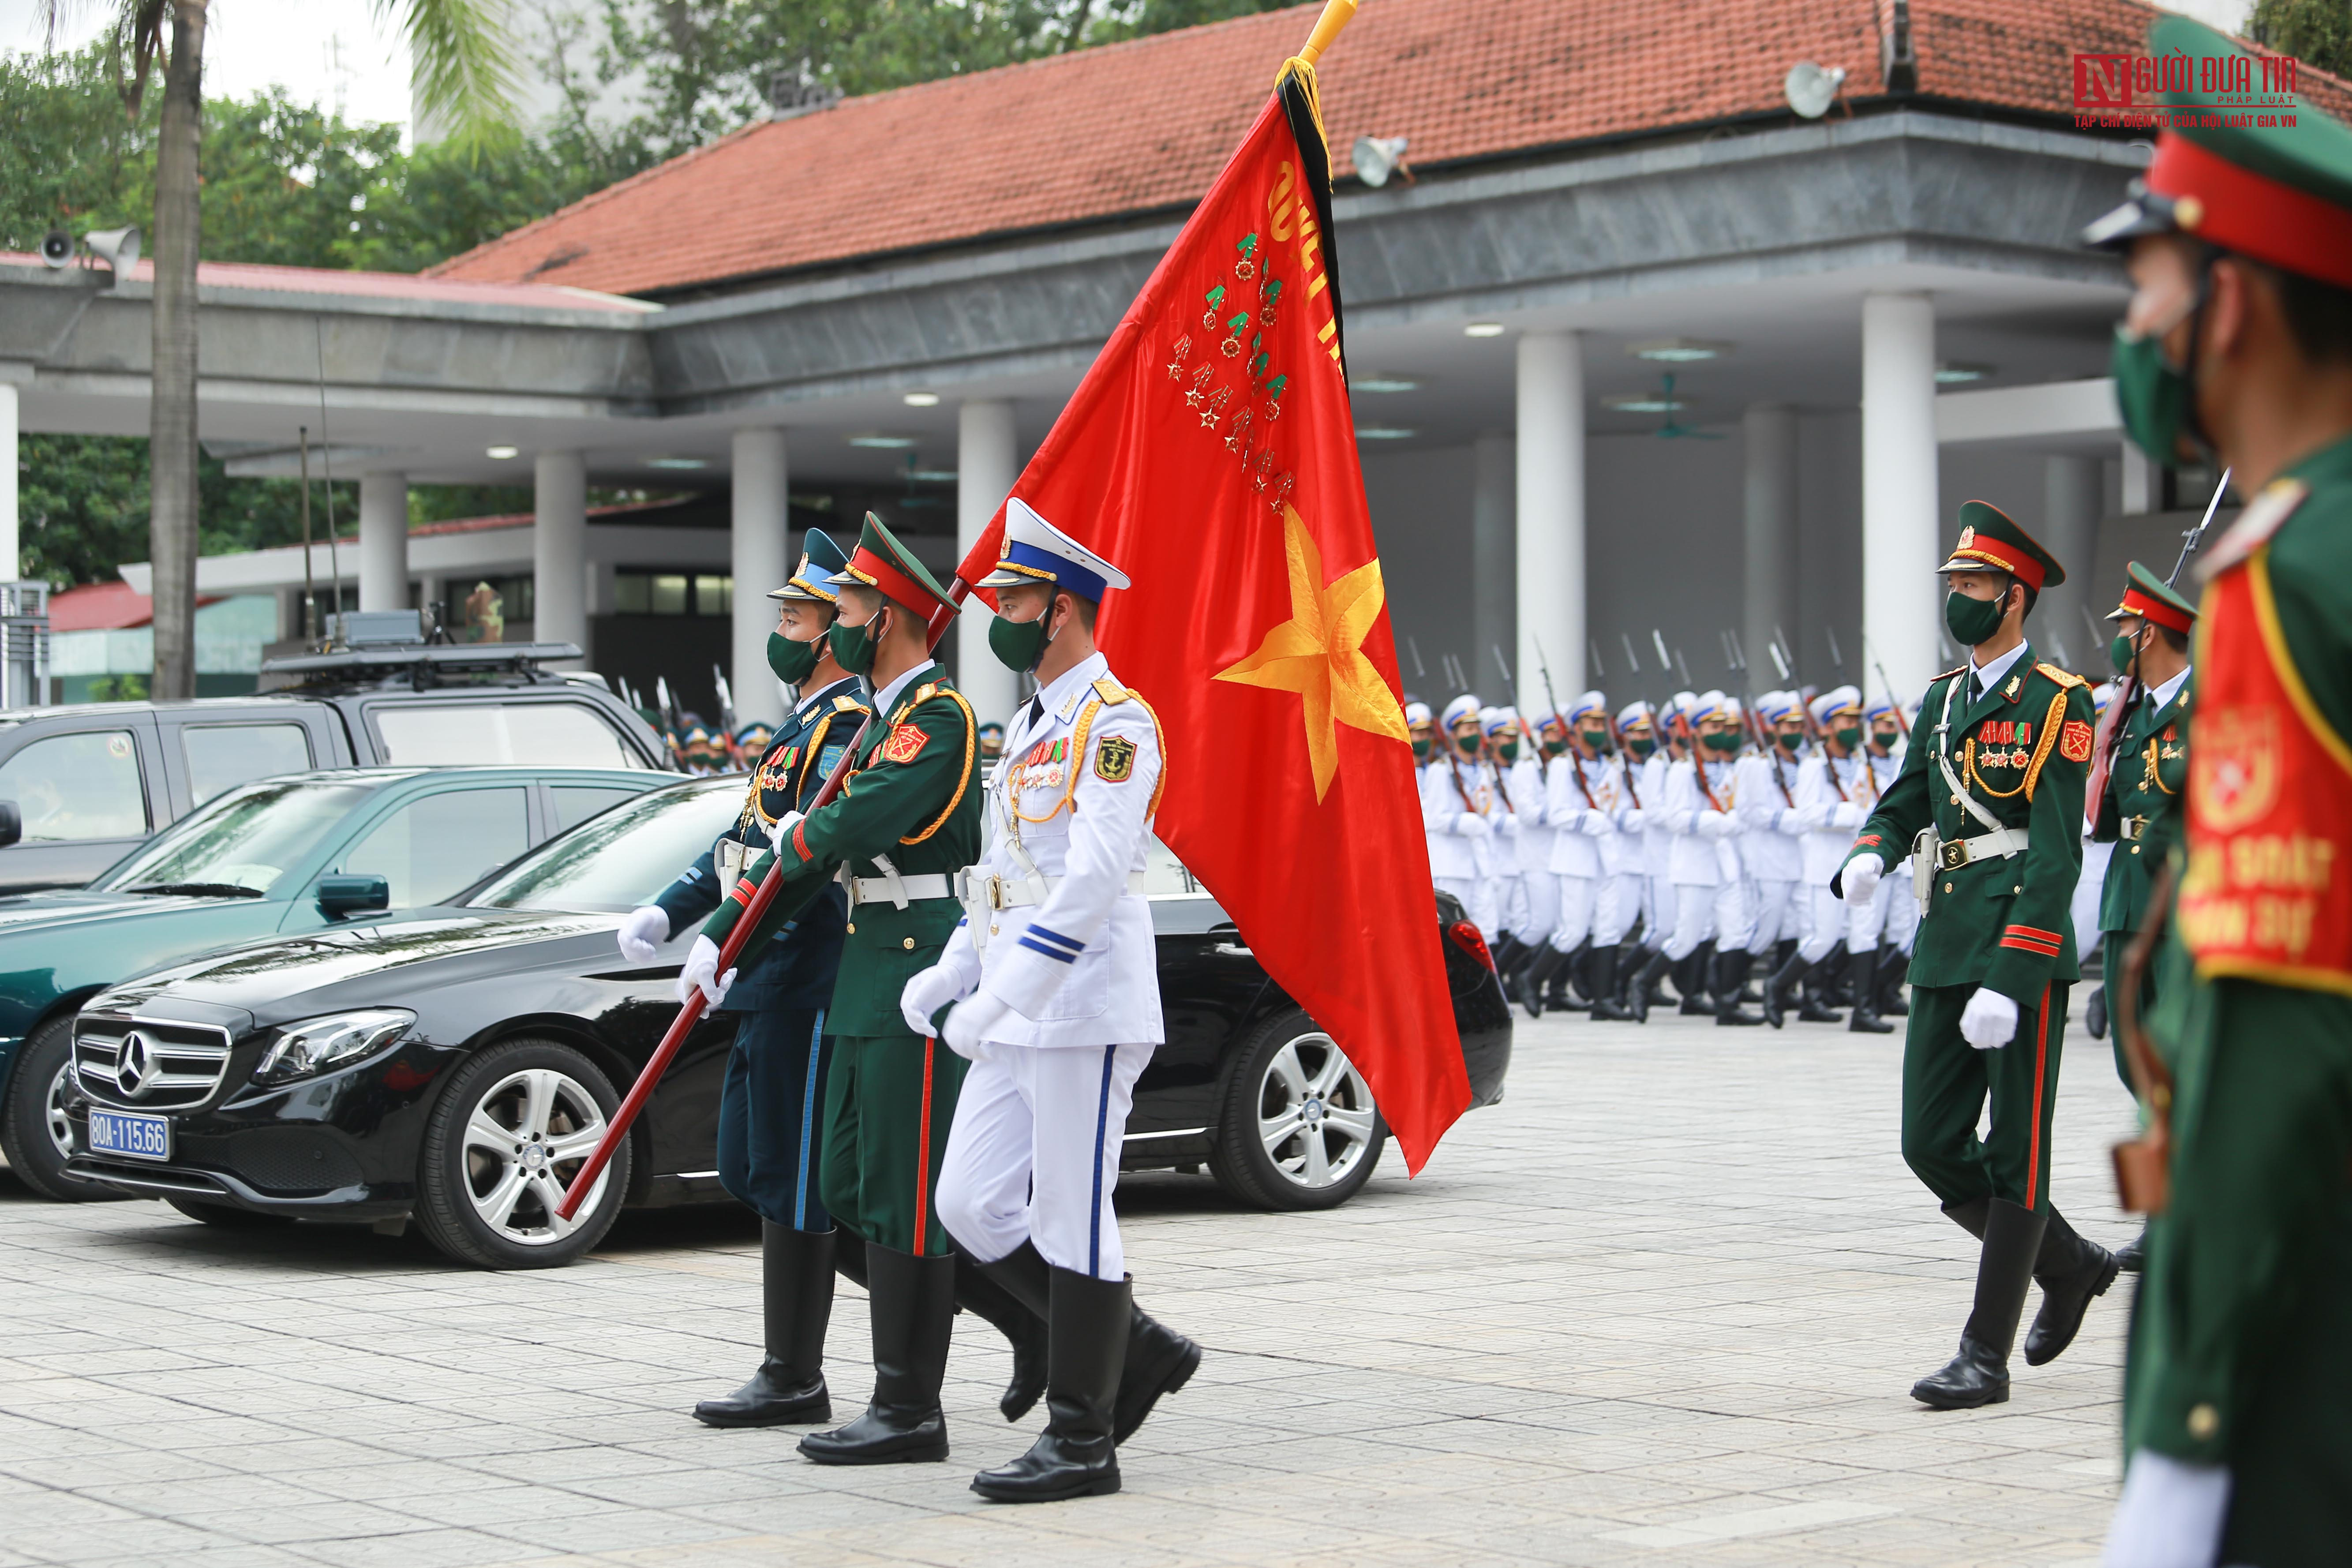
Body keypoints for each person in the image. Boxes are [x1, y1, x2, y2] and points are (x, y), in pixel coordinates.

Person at [2083, 22, 2352, 1560]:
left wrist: (2188, 1428)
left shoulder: (2293, 580)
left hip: (2305, 1340)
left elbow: (2267, 1029)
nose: (2132, 321)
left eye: (2146, 282)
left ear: (2230, 300)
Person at [688, 513, 1003, 1467]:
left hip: (918, 955)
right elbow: (812, 833)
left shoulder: (935, 717)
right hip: (870, 956)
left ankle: (910, 1405)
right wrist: (714, 930)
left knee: (907, 1195)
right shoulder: (881, 716)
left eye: (856, 606)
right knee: (847, 1184)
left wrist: (801, 840)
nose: (841, 622)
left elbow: (856, 816)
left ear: (894, 615)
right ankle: (956, 1363)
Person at [908, 498, 1201, 1503]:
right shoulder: (1031, 725)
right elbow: (1004, 875)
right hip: (1017, 1001)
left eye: (1015, 598)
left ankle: (1082, 1434)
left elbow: (1089, 876)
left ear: (1064, 610)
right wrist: (957, 969)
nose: (998, 613)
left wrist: (1006, 992)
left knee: (1074, 1214)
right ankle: (1136, 1345)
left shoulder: (1115, 721)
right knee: (969, 1202)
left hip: (1081, 1004)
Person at [1836, 500, 2113, 1411]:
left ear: (2013, 597)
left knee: (2014, 1154)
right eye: (1951, 583)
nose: (1955, 597)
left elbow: (2053, 852)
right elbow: (1912, 791)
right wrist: (1872, 846)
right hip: (1944, 938)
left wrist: (2016, 970)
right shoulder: (1941, 697)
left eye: (1971, 585)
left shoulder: (2057, 702)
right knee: (1928, 1141)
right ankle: (2068, 1264)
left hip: (2011, 953)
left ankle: (1981, 1356)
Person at [620, 529, 894, 1430]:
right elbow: (741, 842)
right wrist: (669, 909)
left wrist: (721, 935)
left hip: (808, 972)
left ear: (831, 633)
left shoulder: (851, 724)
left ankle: (795, 1371)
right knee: (753, 1165)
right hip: (763, 973)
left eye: (796, 615)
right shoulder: (799, 724)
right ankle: (930, 1289)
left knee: (794, 1175)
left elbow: (801, 864)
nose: (780, 628)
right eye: (781, 612)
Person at [2085, 566, 2195, 1116]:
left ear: (2147, 633)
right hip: (2128, 897)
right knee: (2135, 1058)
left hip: (2184, 899)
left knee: (2186, 1051)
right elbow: (2102, 812)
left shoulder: (2208, 702)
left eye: (2125, 626)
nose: (2118, 639)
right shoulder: (2128, 712)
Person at [1635, 692, 1760, 1025]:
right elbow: (1675, 818)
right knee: (1686, 937)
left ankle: (1728, 1004)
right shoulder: (1681, 771)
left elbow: (1740, 810)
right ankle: (1642, 982)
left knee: (1736, 932)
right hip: (1694, 865)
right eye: (1713, 725)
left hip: (1725, 864)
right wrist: (1717, 822)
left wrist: (1736, 820)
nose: (1721, 731)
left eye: (1723, 724)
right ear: (1697, 731)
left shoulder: (1727, 770)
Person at [1531, 692, 1635, 1020]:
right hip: (1576, 859)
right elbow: (1557, 814)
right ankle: (1530, 979)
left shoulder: (1611, 767)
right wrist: (1590, 819)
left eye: (1602, 723)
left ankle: (1603, 1002)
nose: (1599, 728)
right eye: (1592, 723)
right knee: (1572, 931)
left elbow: (1616, 808)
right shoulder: (1563, 765)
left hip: (1606, 858)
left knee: (1608, 929)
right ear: (1576, 728)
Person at [1774, 685, 1869, 1027]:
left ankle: (1822, 1000)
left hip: (1851, 861)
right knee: (1822, 937)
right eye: (1845, 720)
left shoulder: (1859, 763)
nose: (1853, 726)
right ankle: (1778, 985)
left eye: (1856, 720)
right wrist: (1847, 814)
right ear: (1828, 726)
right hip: (1821, 863)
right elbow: (1806, 814)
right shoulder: (1815, 766)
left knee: (1848, 935)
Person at [1738, 691, 1808, 1007]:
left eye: (1798, 726)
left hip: (1797, 857)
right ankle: (1730, 982)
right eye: (1788, 726)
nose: (1794, 732)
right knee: (1767, 926)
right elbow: (1753, 812)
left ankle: (1781, 988)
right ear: (1774, 728)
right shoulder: (1759, 764)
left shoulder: (1804, 762)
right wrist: (1793, 820)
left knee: (1793, 925)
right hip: (1769, 858)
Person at [1499, 708, 1563, 1006]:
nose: (1558, 738)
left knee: (1562, 925)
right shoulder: (1527, 768)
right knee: (1539, 923)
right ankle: (1499, 977)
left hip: (1562, 856)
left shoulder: (1565, 767)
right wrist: (1564, 815)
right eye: (1552, 732)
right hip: (1536, 856)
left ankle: (1541, 985)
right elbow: (1527, 813)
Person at [1424, 694, 1499, 939]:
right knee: (1451, 934)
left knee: (1485, 933)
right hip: (1453, 865)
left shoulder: (1484, 770)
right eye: (1469, 729)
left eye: (1477, 728)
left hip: (1481, 864)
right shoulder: (1441, 771)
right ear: (1453, 735)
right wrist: (1466, 823)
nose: (1475, 735)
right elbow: (1435, 819)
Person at [1480, 707, 1532, 975]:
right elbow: (1490, 818)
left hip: (1521, 859)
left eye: (1514, 738)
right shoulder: (1485, 773)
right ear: (1492, 740)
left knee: (1520, 922)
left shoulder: (1521, 771)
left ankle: (1514, 979)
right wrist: (1523, 824)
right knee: (1496, 924)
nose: (1511, 743)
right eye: (1505, 738)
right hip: (1498, 859)